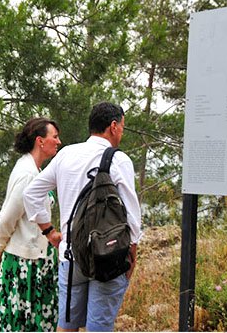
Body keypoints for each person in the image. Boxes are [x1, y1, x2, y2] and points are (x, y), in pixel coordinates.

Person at [23, 102, 141, 332]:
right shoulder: (119, 160)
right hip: (108, 254)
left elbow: (31, 193)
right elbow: (131, 215)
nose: (122, 133)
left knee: (66, 327)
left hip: (71, 254)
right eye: (122, 127)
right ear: (113, 126)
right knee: (99, 327)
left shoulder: (66, 154)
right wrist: (131, 256)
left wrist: (49, 231)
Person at [0, 117, 62, 332]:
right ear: (40, 141)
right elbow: (9, 215)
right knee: (24, 322)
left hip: (37, 258)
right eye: (54, 137)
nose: (58, 141)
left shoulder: (34, 170)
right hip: (26, 264)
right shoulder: (27, 174)